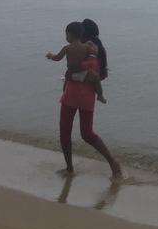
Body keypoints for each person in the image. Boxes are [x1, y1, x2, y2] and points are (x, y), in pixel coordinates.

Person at [49, 19, 120, 177]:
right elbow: (96, 75)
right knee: (86, 133)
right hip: (85, 96)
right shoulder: (92, 48)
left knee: (68, 132)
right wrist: (73, 75)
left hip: (73, 95)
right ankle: (111, 162)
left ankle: (70, 168)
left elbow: (89, 71)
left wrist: (71, 74)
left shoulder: (89, 49)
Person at [45, 21, 106, 103]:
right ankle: (100, 96)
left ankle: (64, 95)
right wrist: (91, 45)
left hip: (71, 74)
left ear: (69, 35)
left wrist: (50, 55)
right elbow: (95, 53)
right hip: (83, 73)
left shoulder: (66, 48)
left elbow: (57, 58)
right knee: (96, 78)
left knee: (66, 81)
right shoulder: (86, 47)